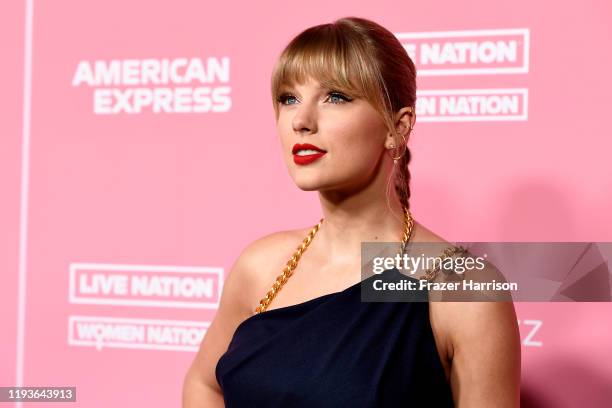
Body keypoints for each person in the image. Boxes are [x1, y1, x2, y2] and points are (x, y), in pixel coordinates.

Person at [182, 16, 521, 407]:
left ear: (398, 127)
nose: (301, 121)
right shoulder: (261, 264)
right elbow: (204, 384)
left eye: (336, 97)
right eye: (288, 98)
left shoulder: (463, 289)